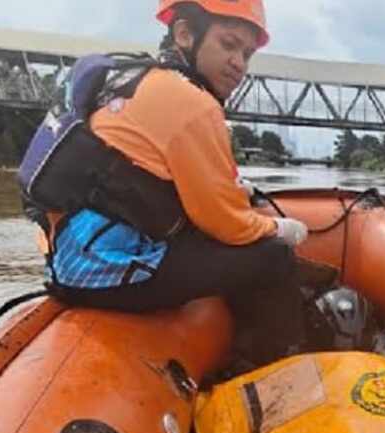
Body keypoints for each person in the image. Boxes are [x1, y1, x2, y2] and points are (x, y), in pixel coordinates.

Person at [21, 0, 308, 366]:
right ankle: (275, 365)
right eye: (228, 44)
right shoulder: (193, 103)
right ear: (185, 33)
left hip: (66, 263)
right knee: (274, 258)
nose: (239, 63)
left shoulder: (134, 80)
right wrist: (280, 228)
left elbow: (148, 176)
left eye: (247, 54)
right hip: (109, 272)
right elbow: (229, 225)